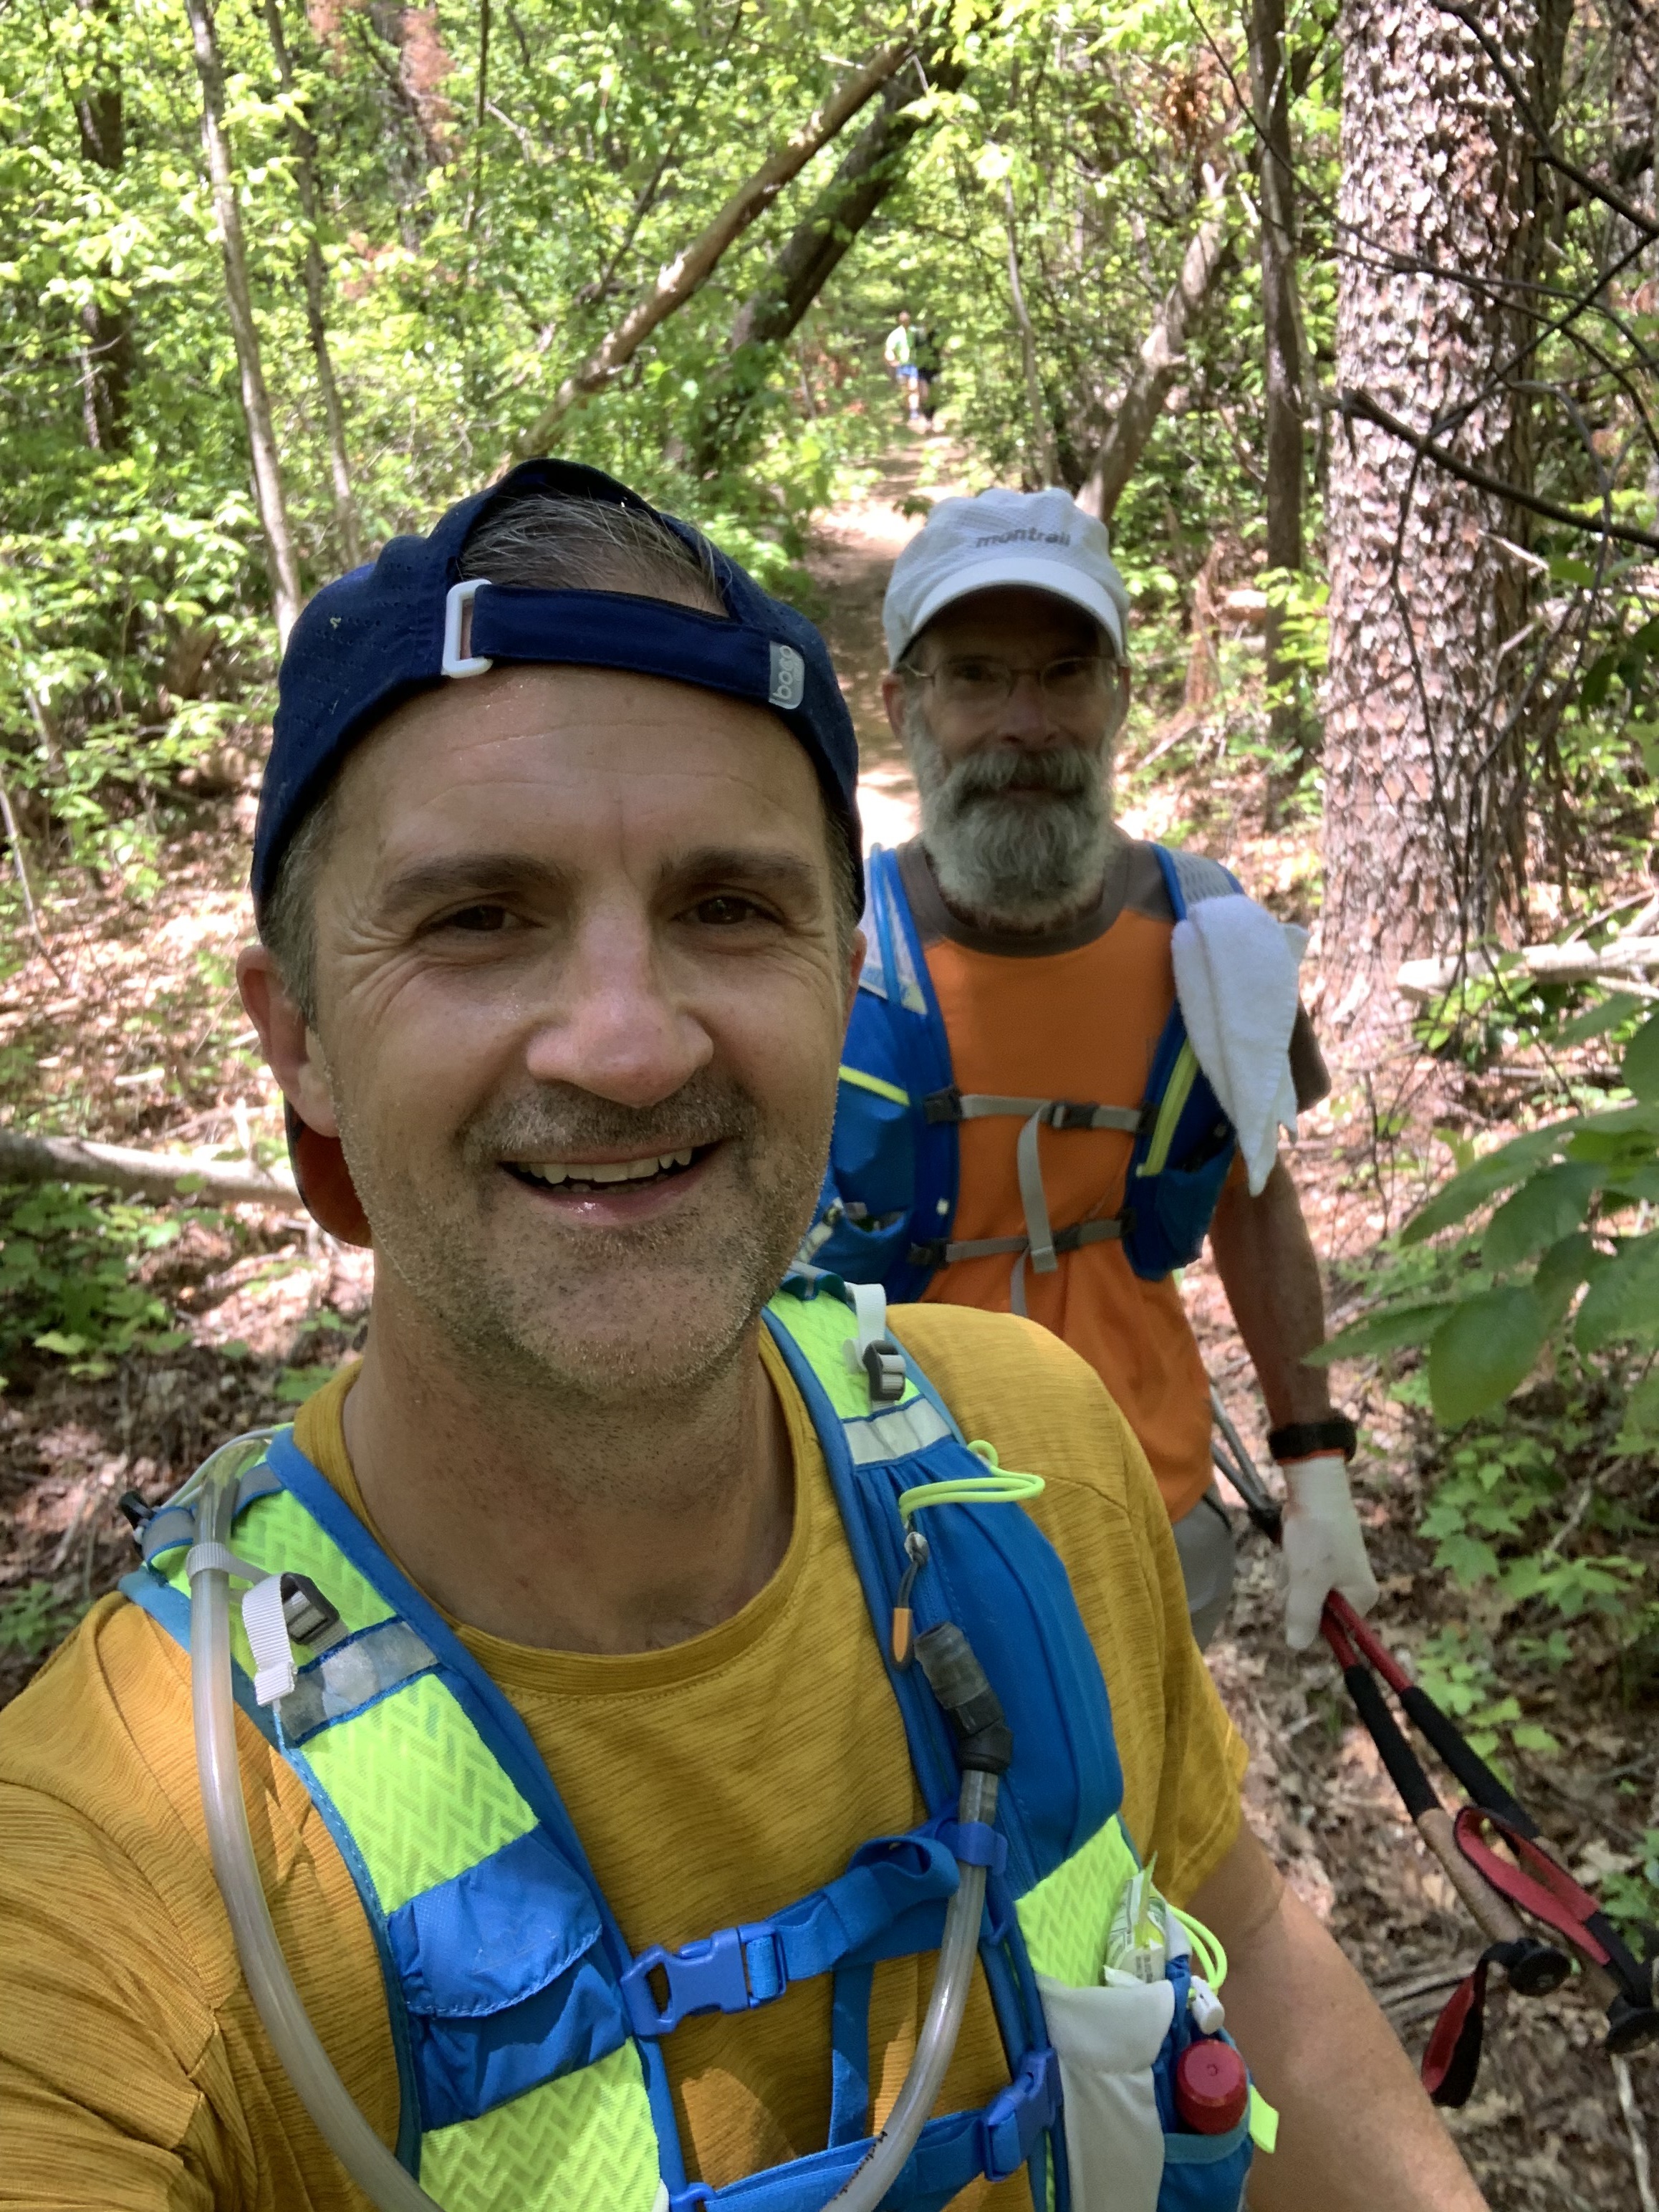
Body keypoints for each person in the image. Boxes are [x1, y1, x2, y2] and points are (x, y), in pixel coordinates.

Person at [0, 459, 1483, 2212]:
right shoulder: (126, 1862)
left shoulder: (1043, 1440)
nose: (625, 1047)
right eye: (478, 916)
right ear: (298, 1034)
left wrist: (1308, 1456)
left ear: (827, 963)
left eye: (726, 906)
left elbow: (1220, 1917)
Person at [806, 486, 1379, 1653]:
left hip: (1146, 1507)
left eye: (1066, 672)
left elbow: (1255, 1195)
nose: (1028, 722)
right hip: (882, 1525)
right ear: (901, 703)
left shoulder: (1212, 942)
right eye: (976, 676)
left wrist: (1314, 1466)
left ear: (1117, 699)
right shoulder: (822, 949)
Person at [883, 309, 920, 428]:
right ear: (900, 321)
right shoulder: (895, 334)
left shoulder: (915, 332)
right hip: (902, 366)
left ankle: (914, 413)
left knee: (914, 387)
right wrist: (893, 361)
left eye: (907, 320)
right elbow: (889, 350)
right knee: (905, 390)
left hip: (914, 364)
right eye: (903, 320)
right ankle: (907, 410)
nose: (905, 322)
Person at [913, 322, 942, 429]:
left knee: (934, 394)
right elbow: (912, 350)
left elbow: (941, 349)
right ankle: (927, 418)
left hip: (935, 368)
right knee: (924, 394)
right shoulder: (917, 335)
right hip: (922, 368)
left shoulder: (937, 334)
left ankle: (931, 417)